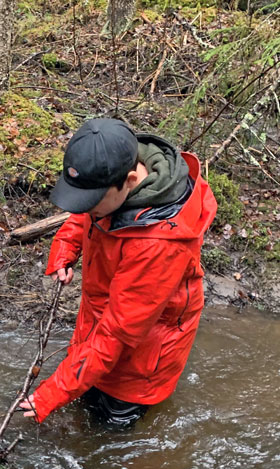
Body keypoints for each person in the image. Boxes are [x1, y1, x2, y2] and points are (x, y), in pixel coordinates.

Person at [19, 118, 217, 426]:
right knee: (83, 397)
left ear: (129, 180)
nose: (86, 208)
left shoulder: (157, 245)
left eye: (91, 202)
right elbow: (87, 214)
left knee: (109, 439)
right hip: (101, 331)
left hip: (139, 362)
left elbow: (116, 335)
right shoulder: (111, 175)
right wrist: (65, 249)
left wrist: (52, 393)